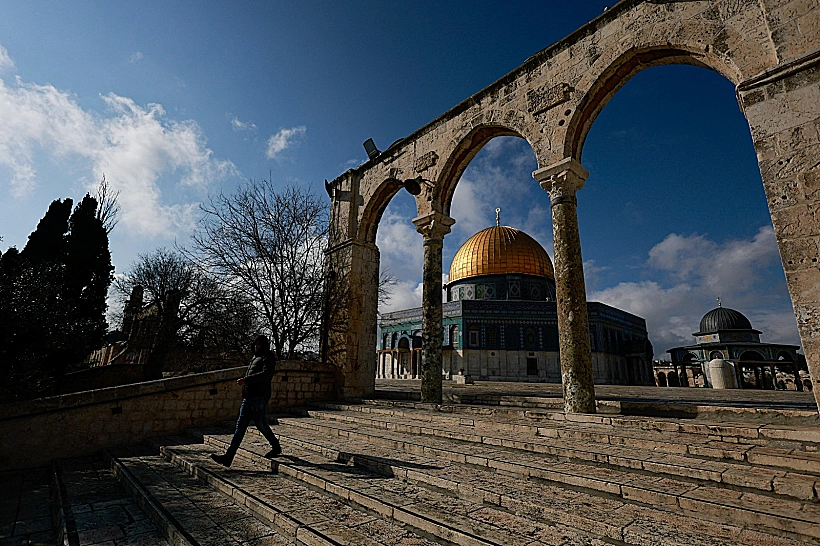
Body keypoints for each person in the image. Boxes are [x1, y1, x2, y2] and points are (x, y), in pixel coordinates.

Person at [211, 335, 281, 466]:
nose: (257, 346)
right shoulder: (256, 357)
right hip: (248, 396)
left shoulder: (268, 357)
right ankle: (229, 456)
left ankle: (275, 446)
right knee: (240, 425)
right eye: (256, 344)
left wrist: (246, 380)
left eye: (259, 344)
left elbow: (266, 375)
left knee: (260, 423)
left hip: (259, 396)